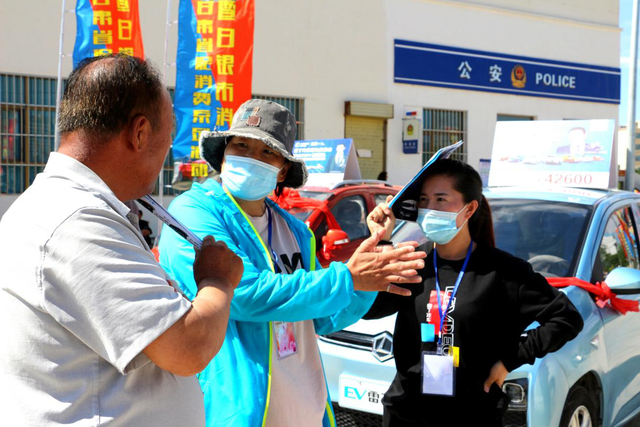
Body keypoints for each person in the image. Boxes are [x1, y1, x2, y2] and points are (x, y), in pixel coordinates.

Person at [0, 54, 244, 426]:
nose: (167, 153)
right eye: (170, 134)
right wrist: (218, 279)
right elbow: (187, 347)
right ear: (140, 132)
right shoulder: (76, 220)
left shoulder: (58, 206)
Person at [158, 99, 427, 427]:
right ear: (224, 152)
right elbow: (242, 295)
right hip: (235, 414)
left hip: (308, 410)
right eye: (241, 145)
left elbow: (321, 318)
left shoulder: (295, 230)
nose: (251, 158)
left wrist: (366, 280)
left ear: (283, 169)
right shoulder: (193, 213)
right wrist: (347, 278)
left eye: (267, 152)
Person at [365, 158, 584, 427]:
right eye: (423, 200)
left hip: (473, 416)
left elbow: (567, 318)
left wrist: (509, 360)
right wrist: (381, 242)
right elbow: (370, 310)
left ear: (469, 209)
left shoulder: (503, 272)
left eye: (441, 199)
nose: (429, 209)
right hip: (406, 414)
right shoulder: (413, 262)